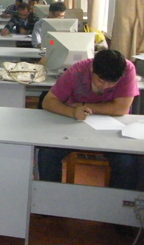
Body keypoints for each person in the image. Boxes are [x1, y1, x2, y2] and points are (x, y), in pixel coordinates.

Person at [38, 50, 139, 190]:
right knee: (47, 154)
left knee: (127, 162)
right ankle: (51, 197)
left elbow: (120, 109)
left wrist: (84, 106)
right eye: (100, 81)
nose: (105, 86)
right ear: (92, 69)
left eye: (112, 83)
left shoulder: (127, 69)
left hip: (112, 131)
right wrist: (72, 112)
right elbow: (48, 101)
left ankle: (117, 201)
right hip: (74, 125)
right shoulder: (77, 71)